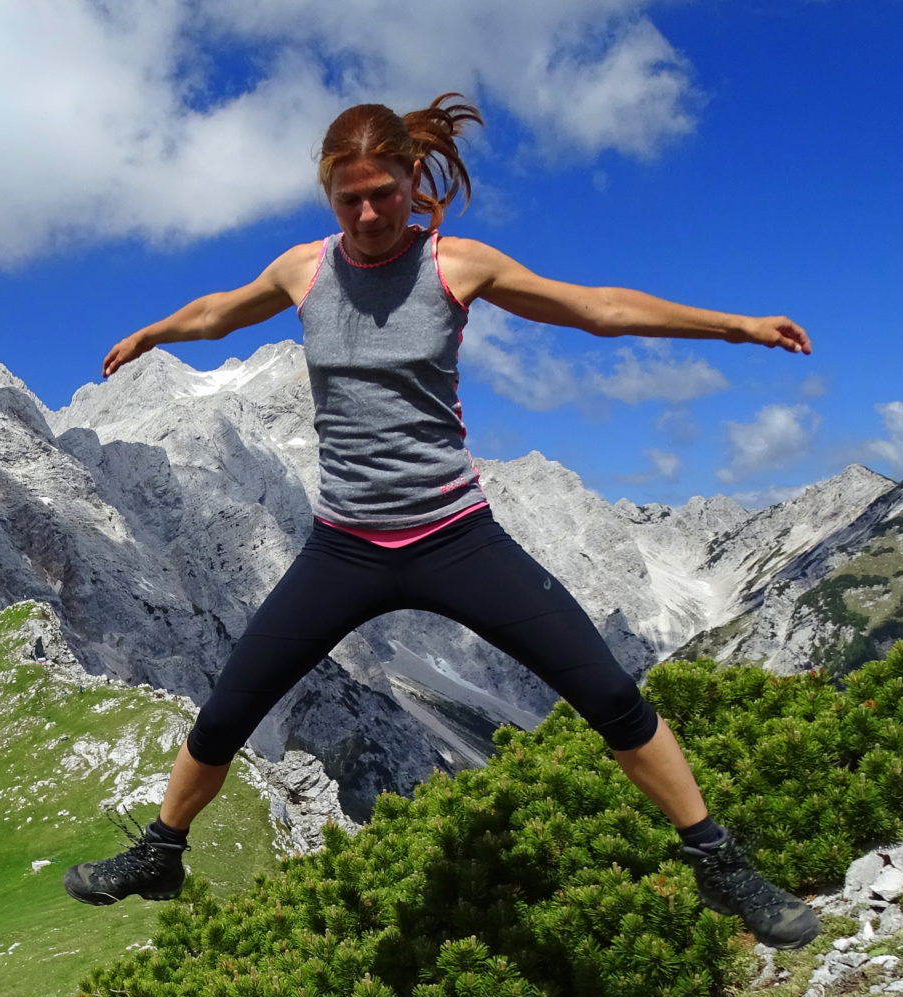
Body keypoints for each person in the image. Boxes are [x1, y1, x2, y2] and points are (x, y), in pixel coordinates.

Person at [63, 94, 818, 950]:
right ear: (328, 196)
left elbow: (598, 308)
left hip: (456, 536)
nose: (370, 213)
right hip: (344, 546)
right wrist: (153, 333)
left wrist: (735, 327)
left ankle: (720, 863)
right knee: (228, 708)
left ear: (411, 179)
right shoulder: (302, 272)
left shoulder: (457, 266)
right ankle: (162, 850)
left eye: (384, 192)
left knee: (608, 692)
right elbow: (218, 311)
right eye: (350, 199)